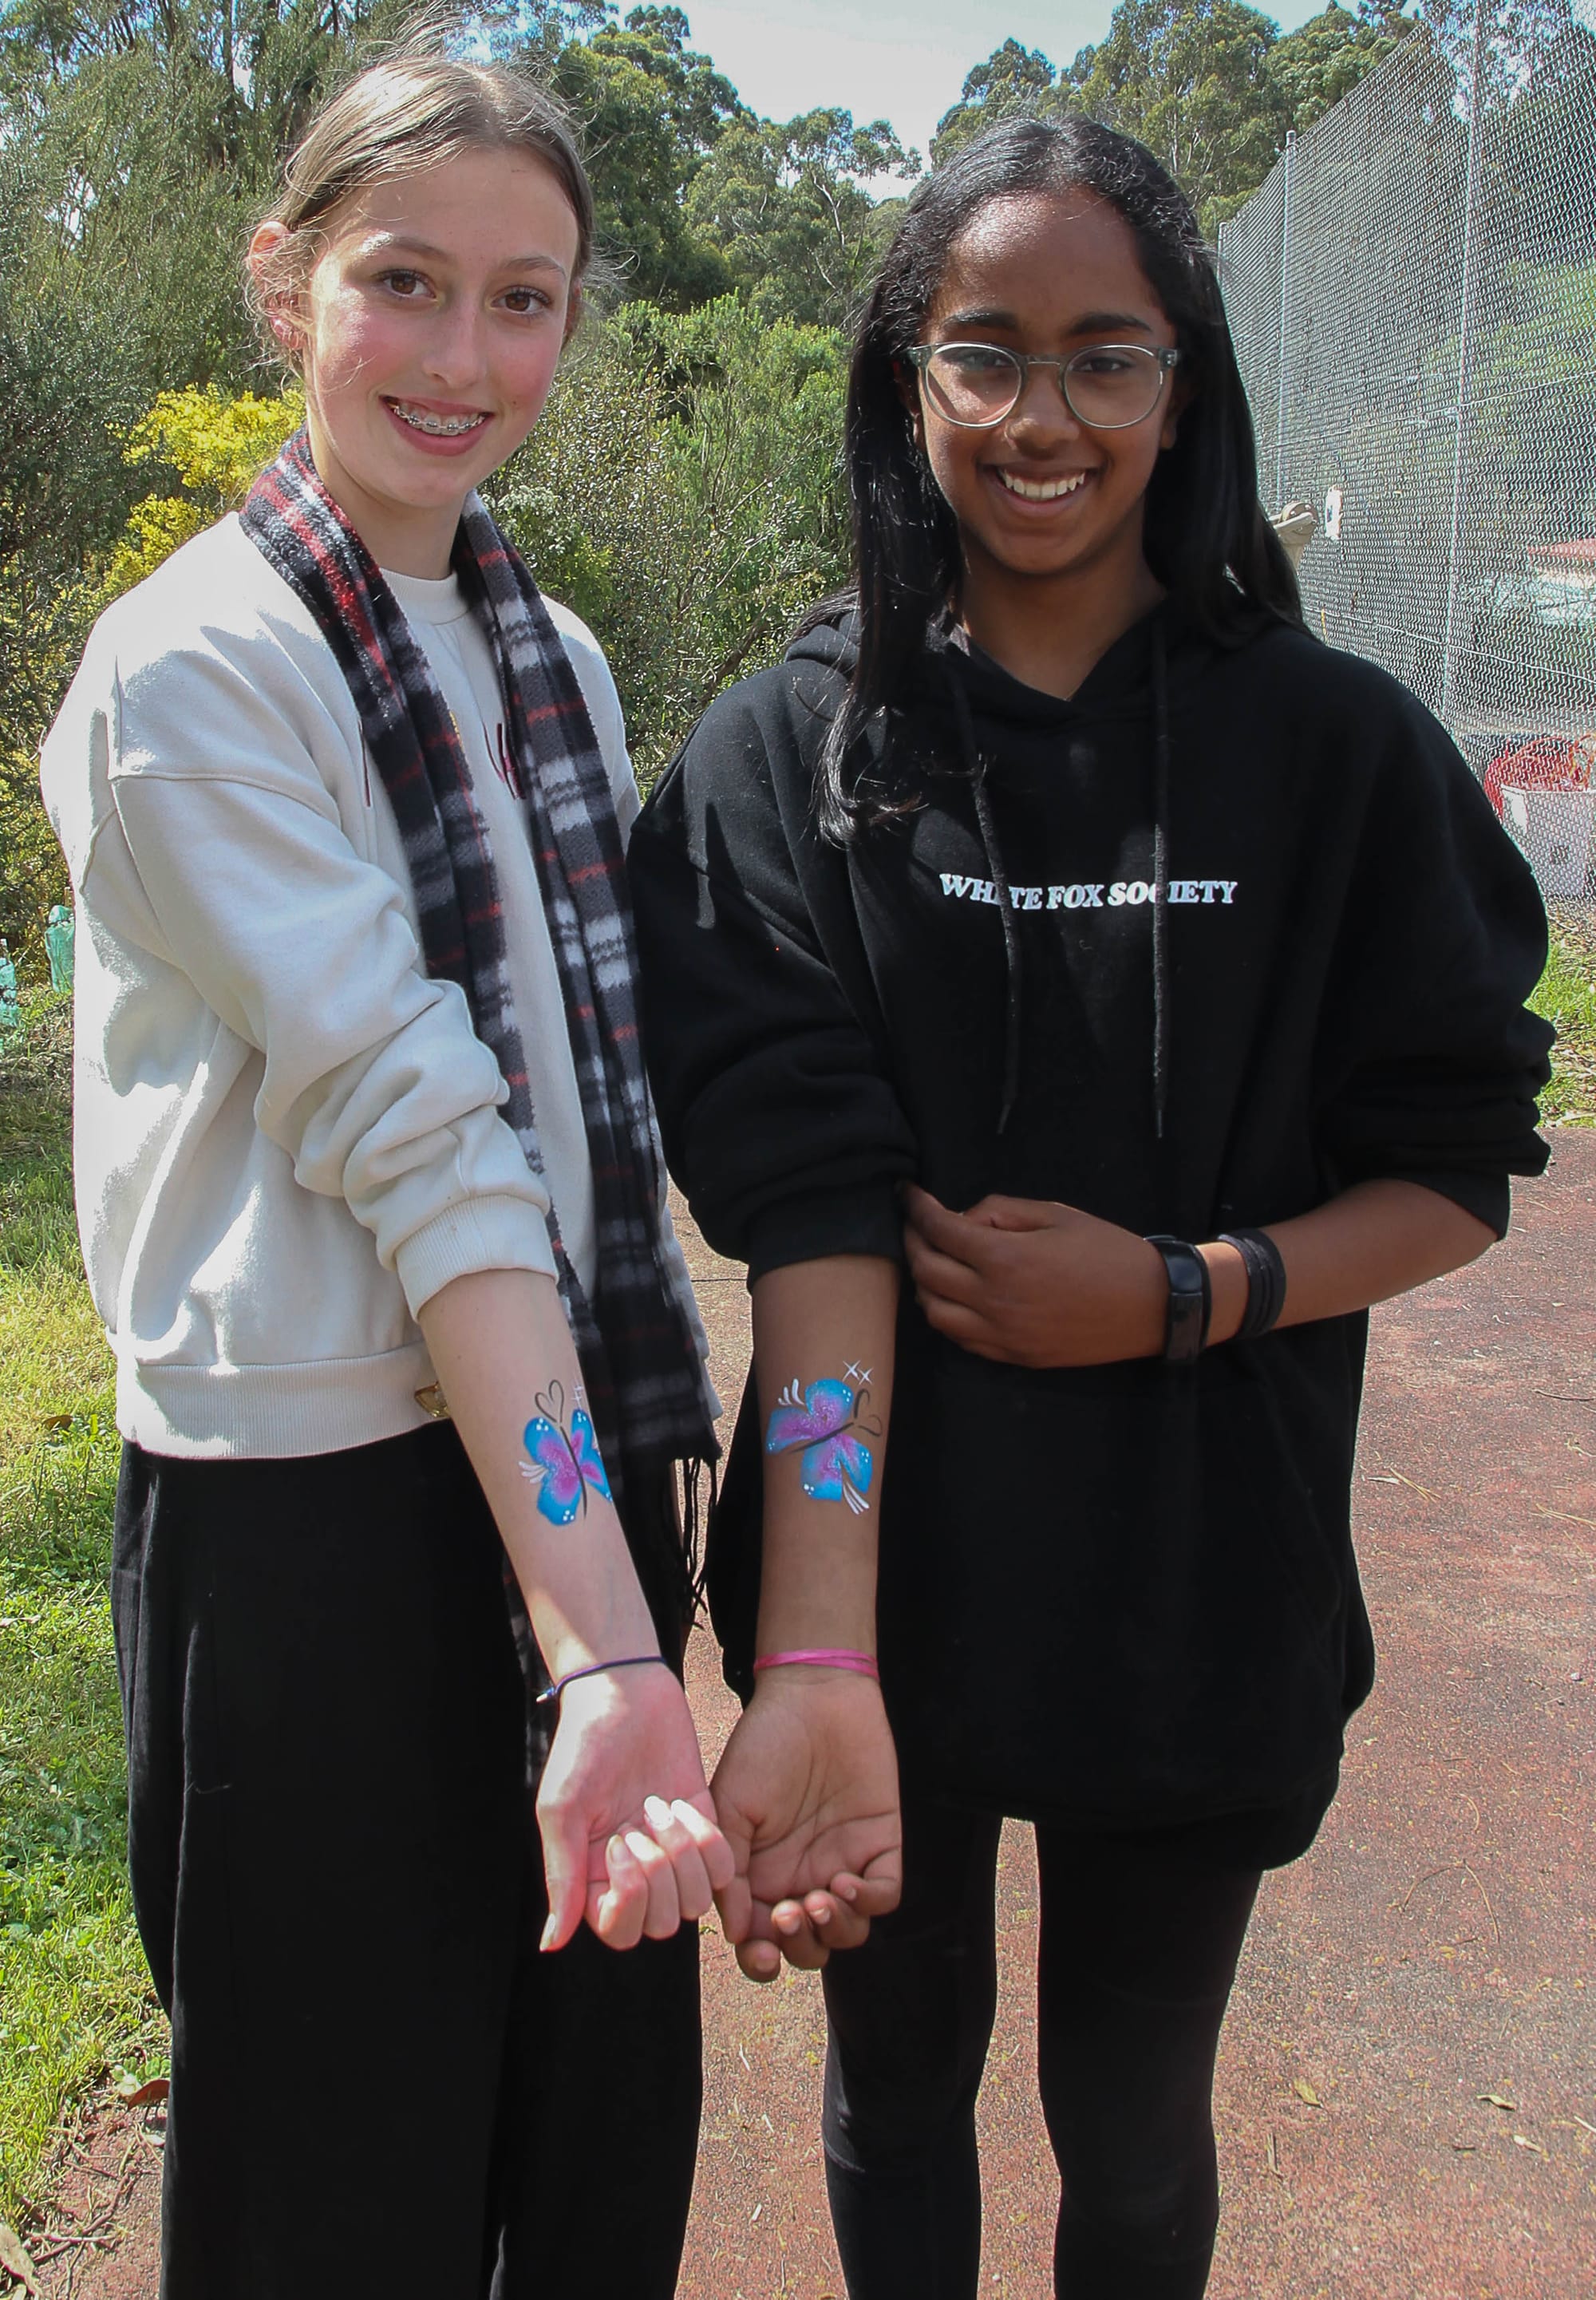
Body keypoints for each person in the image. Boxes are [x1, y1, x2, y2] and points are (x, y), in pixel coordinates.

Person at [627, 117, 1554, 2300]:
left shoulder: (1329, 749)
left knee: (1134, 2132)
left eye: (1106, 358)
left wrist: (1189, 1288)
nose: (1045, 417)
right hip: (888, 1595)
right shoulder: (790, 749)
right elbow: (811, 1210)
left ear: (1188, 386)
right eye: (987, 355)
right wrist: (824, 1644)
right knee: (896, 2089)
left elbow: (1457, 1166)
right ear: (907, 381)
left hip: (1196, 1578)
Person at [41, 53, 734, 2300]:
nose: (464, 358)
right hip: (321, 1523)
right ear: (283, 280)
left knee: (595, 2152)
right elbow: (436, 1150)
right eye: (403, 283)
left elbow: (583, 1099)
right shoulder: (193, 669)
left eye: (523, 300)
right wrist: (611, 1641)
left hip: (574, 1484)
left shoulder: (565, 660)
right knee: (338, 2198)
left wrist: (628, 1605)